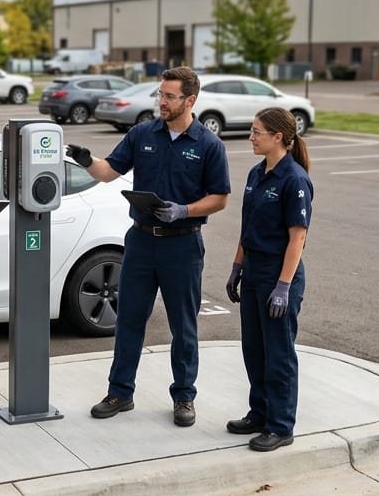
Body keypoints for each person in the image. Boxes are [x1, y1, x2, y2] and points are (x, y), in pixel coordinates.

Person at [66, 67, 230, 427]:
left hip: (182, 247)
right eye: (160, 94)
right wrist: (85, 160)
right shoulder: (142, 133)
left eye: (170, 96)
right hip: (140, 242)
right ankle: (120, 392)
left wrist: (184, 210)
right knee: (129, 320)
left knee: (183, 326)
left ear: (190, 100)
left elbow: (219, 198)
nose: (162, 102)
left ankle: (184, 396)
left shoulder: (208, 145)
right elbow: (109, 171)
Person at [224, 106, 313, 452]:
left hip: (279, 274)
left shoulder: (295, 179)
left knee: (278, 354)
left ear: (278, 137)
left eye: (257, 132)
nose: (251, 137)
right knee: (254, 349)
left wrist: (283, 287)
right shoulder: (256, 173)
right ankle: (259, 413)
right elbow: (248, 227)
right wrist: (236, 266)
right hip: (254, 271)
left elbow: (297, 238)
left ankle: (280, 425)